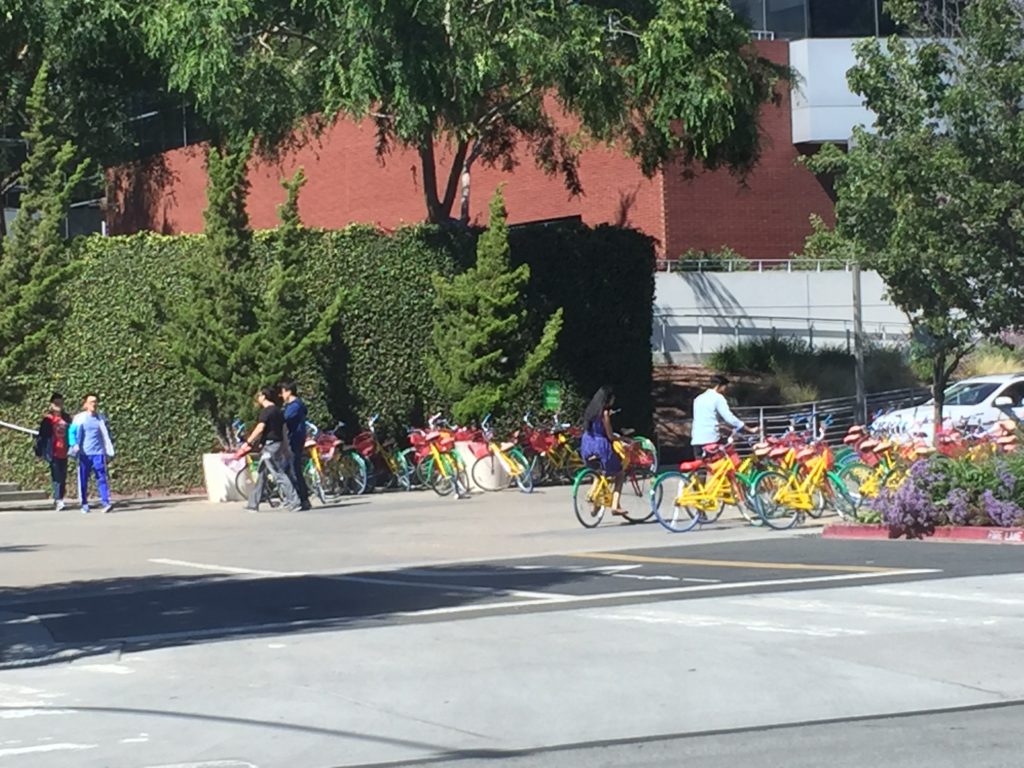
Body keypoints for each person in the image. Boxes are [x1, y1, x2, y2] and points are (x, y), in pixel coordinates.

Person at [239, 386, 301, 512]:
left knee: (278, 473)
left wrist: (248, 442)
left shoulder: (267, 411)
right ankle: (253, 503)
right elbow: (284, 430)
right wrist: (284, 446)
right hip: (276, 444)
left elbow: (260, 428)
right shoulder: (278, 411)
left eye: (258, 396)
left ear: (263, 396)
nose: (257, 399)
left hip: (270, 446)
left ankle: (295, 502)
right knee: (262, 473)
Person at [580, 385, 626, 516]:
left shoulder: (590, 411)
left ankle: (596, 505)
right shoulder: (604, 414)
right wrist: (623, 439)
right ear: (607, 399)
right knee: (619, 473)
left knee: (600, 473)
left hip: (587, 445)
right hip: (601, 447)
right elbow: (610, 436)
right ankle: (615, 505)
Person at [70, 393, 116, 514]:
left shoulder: (101, 418)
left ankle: (106, 502)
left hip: (98, 453)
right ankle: (84, 504)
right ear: (85, 404)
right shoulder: (79, 418)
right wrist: (74, 444)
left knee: (101, 477)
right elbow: (71, 433)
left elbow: (107, 434)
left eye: (95, 402)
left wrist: (108, 449)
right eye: (91, 402)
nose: (94, 404)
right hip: (84, 454)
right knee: (83, 479)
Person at [690, 374, 758, 458]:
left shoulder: (698, 398)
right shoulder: (718, 398)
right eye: (725, 387)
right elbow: (729, 418)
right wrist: (749, 429)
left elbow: (705, 419)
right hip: (711, 439)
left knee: (701, 467)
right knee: (719, 465)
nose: (726, 389)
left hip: (696, 438)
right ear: (719, 386)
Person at [34, 393, 71, 511]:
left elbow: (72, 432)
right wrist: (39, 451)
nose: (58, 406)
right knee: (57, 475)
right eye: (56, 403)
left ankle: (59, 498)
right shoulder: (48, 420)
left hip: (65, 451)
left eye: (60, 403)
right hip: (53, 451)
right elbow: (42, 437)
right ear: (51, 405)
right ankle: (58, 499)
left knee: (63, 475)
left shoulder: (66, 418)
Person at [280, 380, 311, 510]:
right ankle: (296, 497)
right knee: (286, 469)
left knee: (293, 470)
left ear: (289, 391)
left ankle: (301, 498)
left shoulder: (294, 406)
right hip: (295, 439)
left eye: (283, 392)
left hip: (295, 440)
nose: (281, 395)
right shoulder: (293, 405)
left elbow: (284, 419)